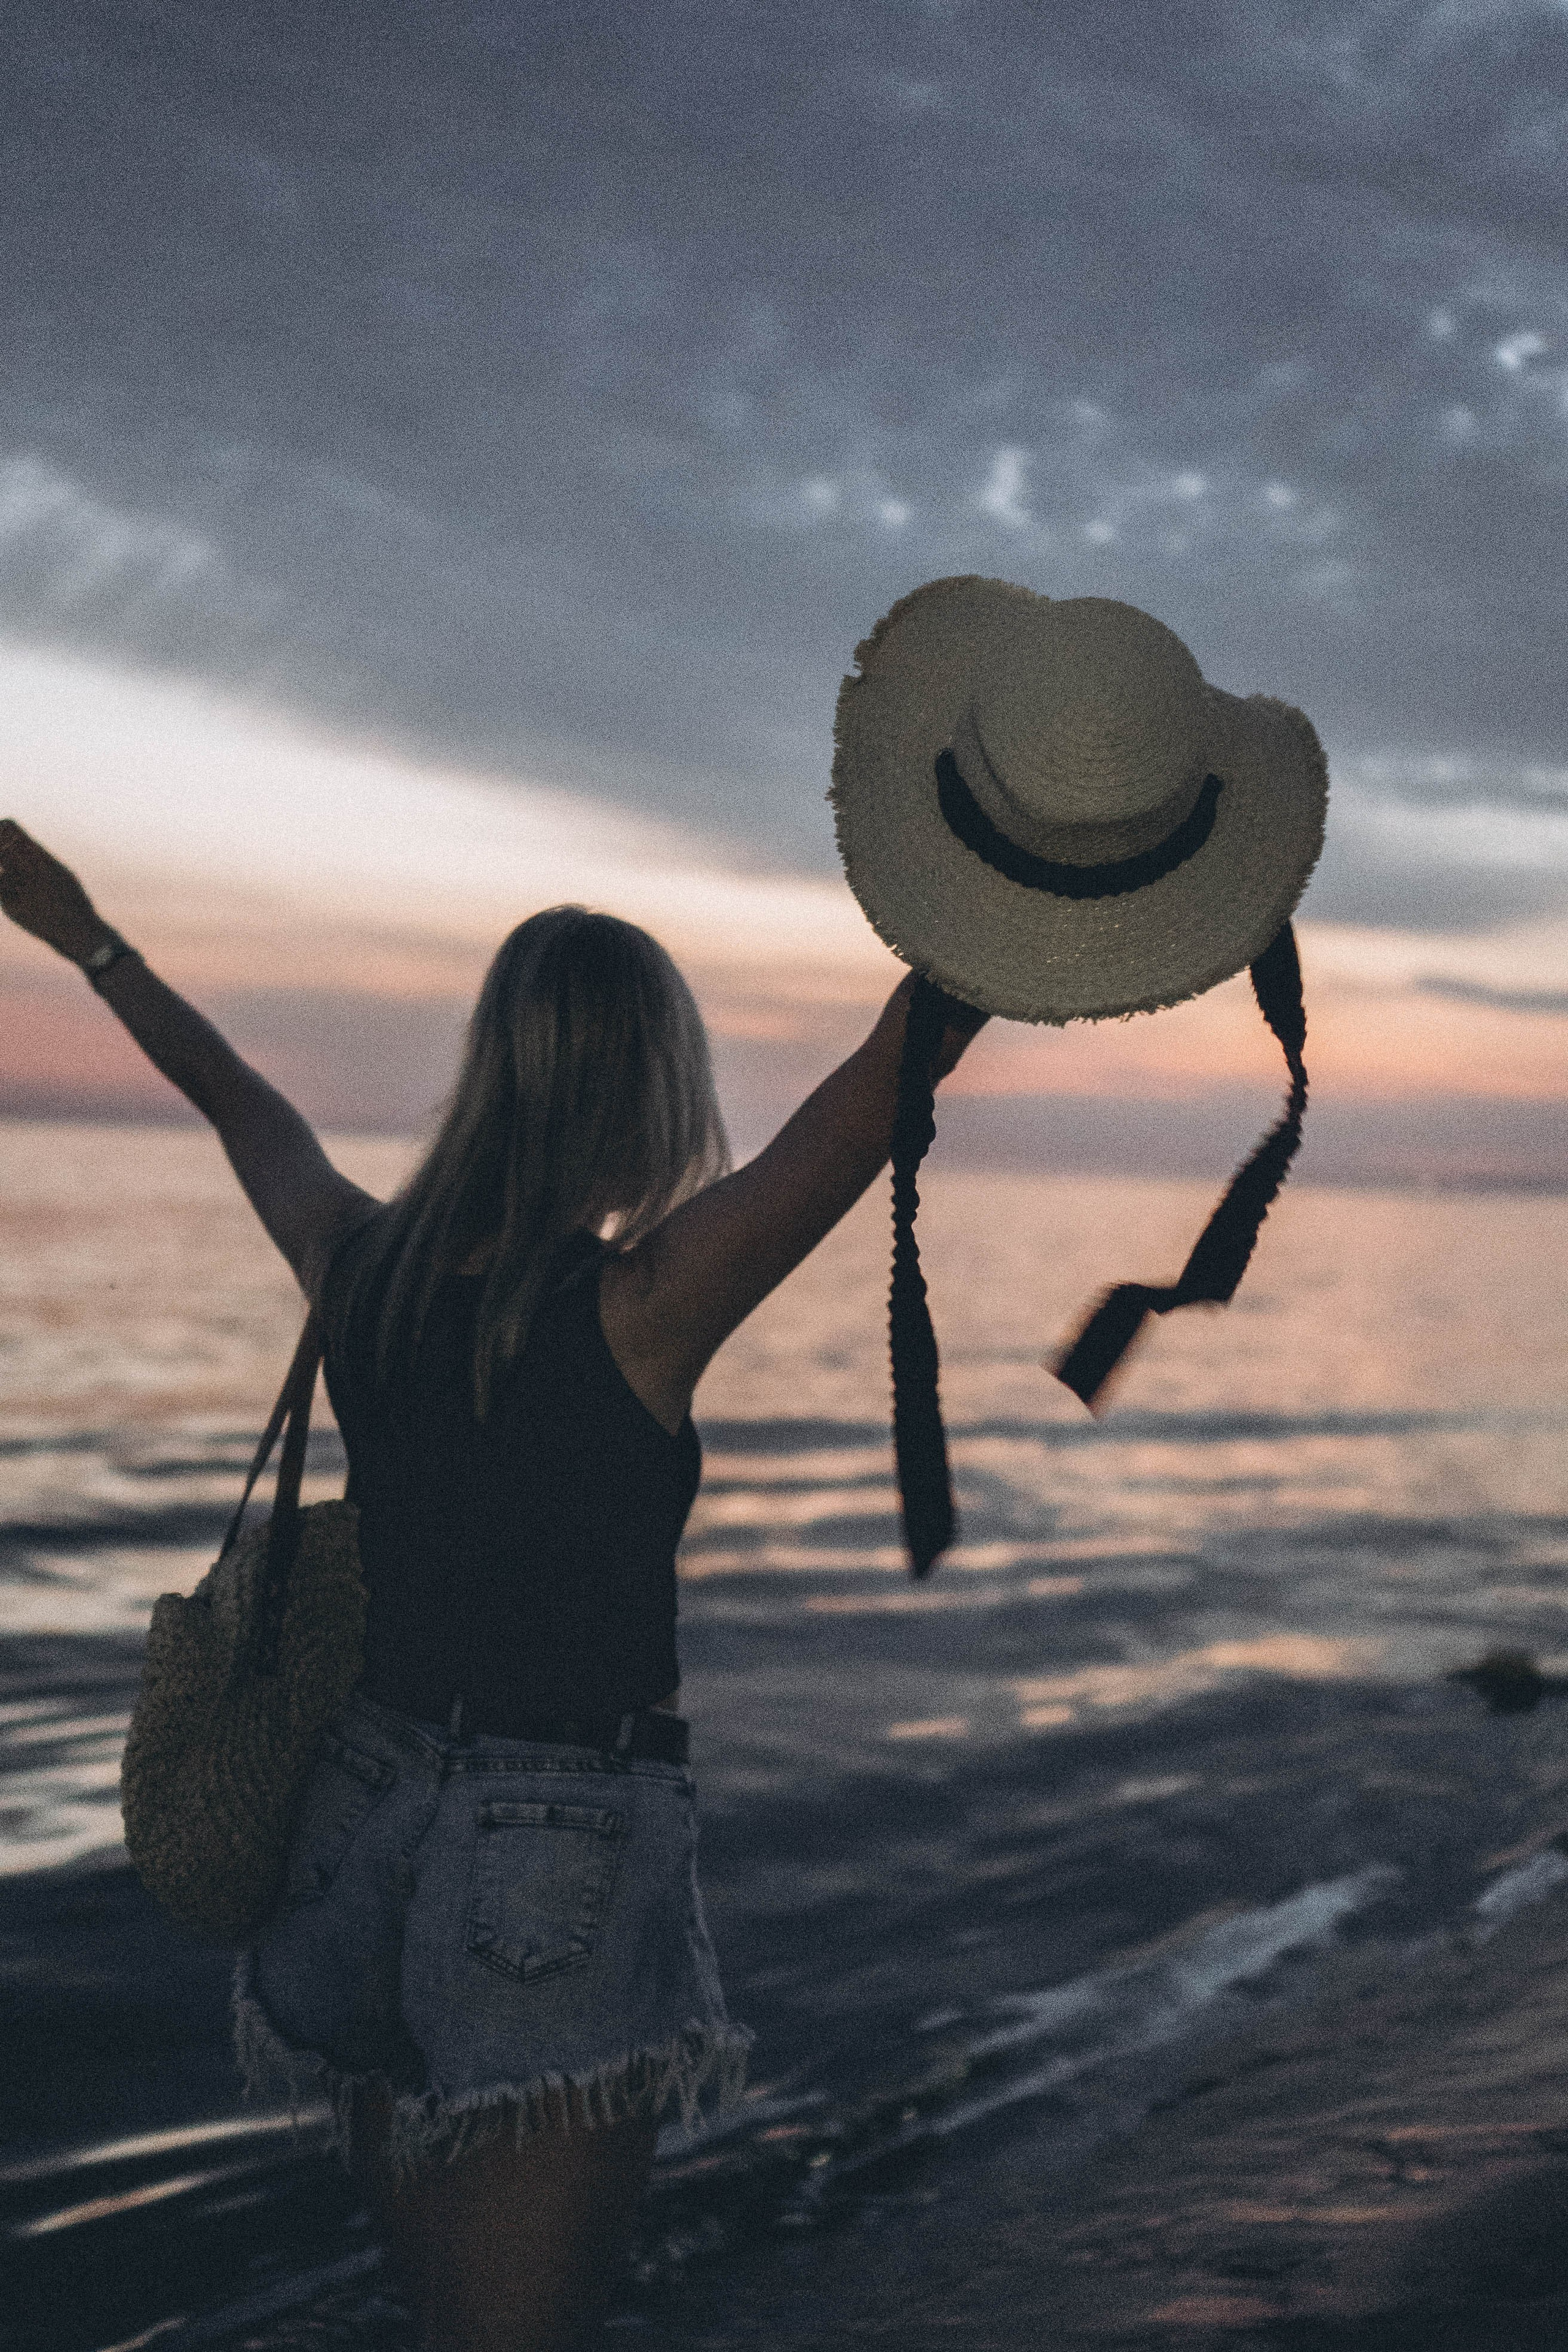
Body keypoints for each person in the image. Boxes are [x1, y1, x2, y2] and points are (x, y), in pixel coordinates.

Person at [0, 812, 987, 2352]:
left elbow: (232, 1101)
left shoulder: (354, 1264)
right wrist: (1012, 904)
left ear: (493, 1070)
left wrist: (88, 938)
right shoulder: (644, 1308)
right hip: (553, 1852)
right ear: (649, 1089)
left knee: (447, 2313)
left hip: (354, 1820)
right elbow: (869, 1101)